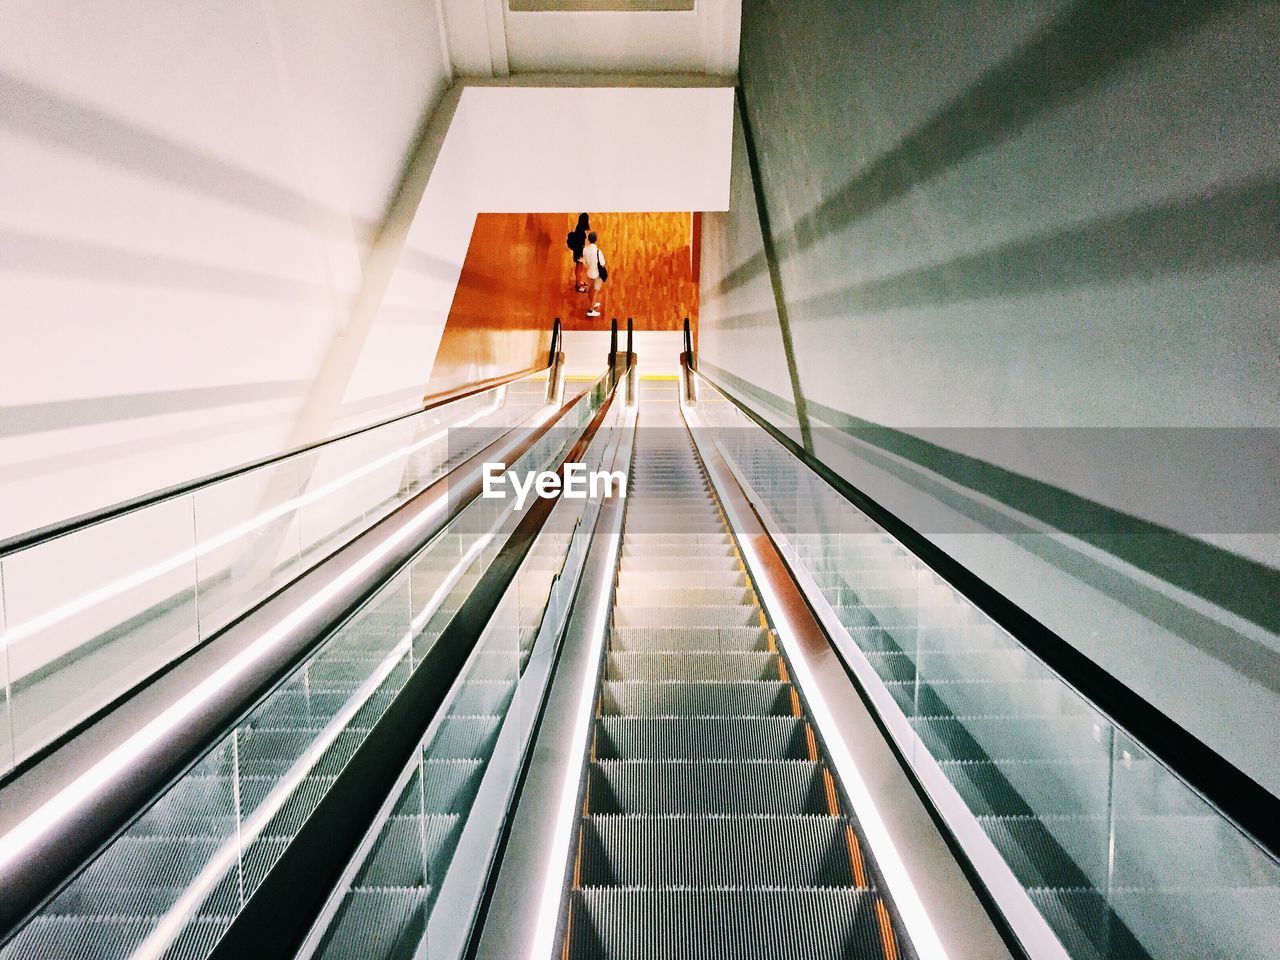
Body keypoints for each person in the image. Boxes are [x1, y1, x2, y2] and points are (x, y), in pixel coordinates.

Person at [581, 231, 606, 318]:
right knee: (596, 291)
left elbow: (584, 262)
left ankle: (593, 303)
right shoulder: (598, 251)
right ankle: (591, 310)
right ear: (596, 240)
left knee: (590, 289)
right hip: (597, 274)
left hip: (589, 273)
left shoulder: (585, 250)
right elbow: (602, 263)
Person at [566, 213, 590, 292]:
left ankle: (578, 282)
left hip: (578, 252)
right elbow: (580, 245)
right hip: (579, 253)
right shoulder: (581, 232)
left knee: (579, 269)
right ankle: (579, 286)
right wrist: (581, 256)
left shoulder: (579, 228)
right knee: (579, 270)